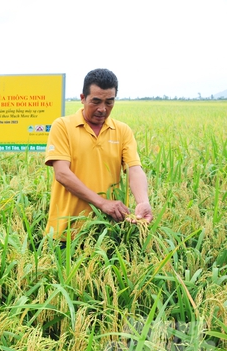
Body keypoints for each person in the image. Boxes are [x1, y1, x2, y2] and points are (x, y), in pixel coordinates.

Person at [44, 68, 153, 241]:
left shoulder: (122, 131)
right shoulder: (63, 126)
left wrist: (142, 201)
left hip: (107, 232)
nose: (102, 109)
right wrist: (102, 203)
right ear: (82, 98)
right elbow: (62, 173)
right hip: (66, 232)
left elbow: (134, 169)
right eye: (96, 101)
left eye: (109, 102)